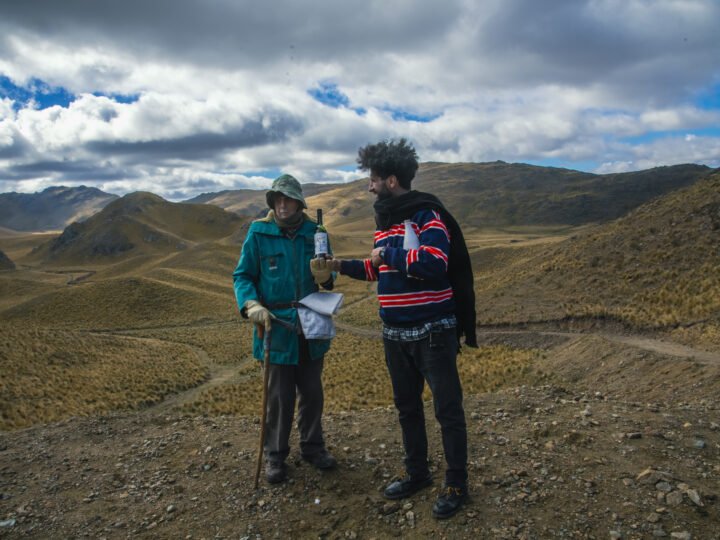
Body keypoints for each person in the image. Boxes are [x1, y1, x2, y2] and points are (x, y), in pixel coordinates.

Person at [321, 138, 477, 519]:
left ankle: (456, 483)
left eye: (372, 180)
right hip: (395, 335)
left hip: (433, 333)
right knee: (407, 408)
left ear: (391, 180)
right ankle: (417, 473)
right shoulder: (386, 223)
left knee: (447, 410)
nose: (369, 187)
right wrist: (339, 265)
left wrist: (388, 254)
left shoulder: (426, 215)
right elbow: (378, 268)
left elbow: (434, 262)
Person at [233, 174, 337, 484]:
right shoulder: (258, 233)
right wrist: (251, 305)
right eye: (277, 198)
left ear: (299, 203)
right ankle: (275, 455)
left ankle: (312, 447)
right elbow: (243, 276)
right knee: (278, 396)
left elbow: (328, 279)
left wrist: (326, 277)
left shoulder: (315, 233)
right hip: (275, 326)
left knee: (312, 392)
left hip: (311, 322)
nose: (281, 204)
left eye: (287, 199)